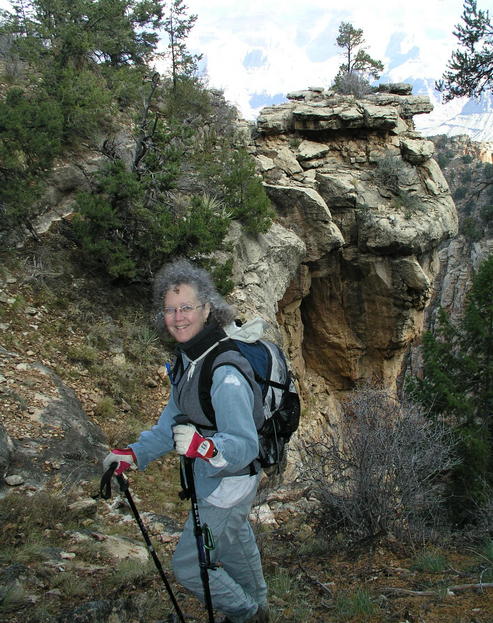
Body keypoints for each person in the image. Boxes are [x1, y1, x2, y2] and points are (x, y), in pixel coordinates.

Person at [103, 258, 269, 623]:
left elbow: (244, 445)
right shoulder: (188, 362)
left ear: (207, 308)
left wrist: (205, 447)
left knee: (190, 567)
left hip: (229, 483)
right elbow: (169, 428)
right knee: (237, 542)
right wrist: (133, 454)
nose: (178, 318)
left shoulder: (224, 372)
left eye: (187, 308)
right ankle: (260, 607)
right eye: (169, 309)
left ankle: (246, 614)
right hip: (215, 478)